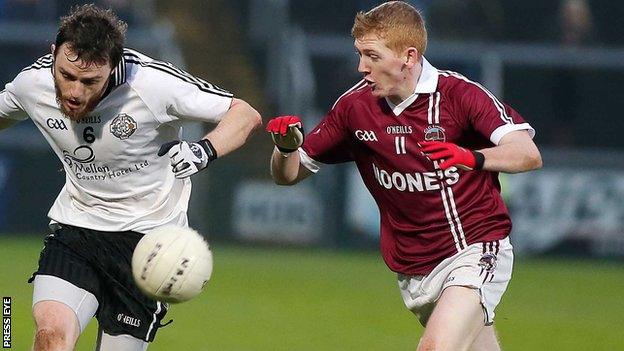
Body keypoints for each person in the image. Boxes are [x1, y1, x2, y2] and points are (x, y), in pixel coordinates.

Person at [266, 2, 541, 350]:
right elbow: (287, 175)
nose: (361, 67)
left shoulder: (459, 96)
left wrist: (469, 156)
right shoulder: (354, 109)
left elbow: (528, 154)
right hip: (414, 268)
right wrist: (286, 148)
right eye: (359, 54)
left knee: (434, 347)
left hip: (475, 248)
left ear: (408, 57)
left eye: (372, 56)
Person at [0, 4, 261, 351]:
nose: (74, 92)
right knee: (50, 336)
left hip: (149, 247)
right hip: (77, 231)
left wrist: (205, 149)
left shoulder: (154, 85)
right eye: (66, 75)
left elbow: (244, 113)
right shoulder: (32, 84)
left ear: (114, 65)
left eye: (89, 81)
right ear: (54, 55)